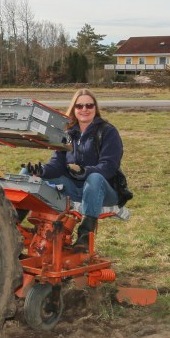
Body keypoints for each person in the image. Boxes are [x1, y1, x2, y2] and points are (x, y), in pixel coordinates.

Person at [27, 88, 123, 252]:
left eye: (89, 105)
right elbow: (57, 165)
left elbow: (109, 166)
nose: (84, 109)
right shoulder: (67, 134)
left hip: (103, 191)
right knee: (27, 175)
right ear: (74, 109)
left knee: (95, 178)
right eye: (79, 106)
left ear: (95, 108)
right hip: (74, 189)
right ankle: (12, 225)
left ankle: (84, 237)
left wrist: (84, 171)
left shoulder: (108, 132)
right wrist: (41, 171)